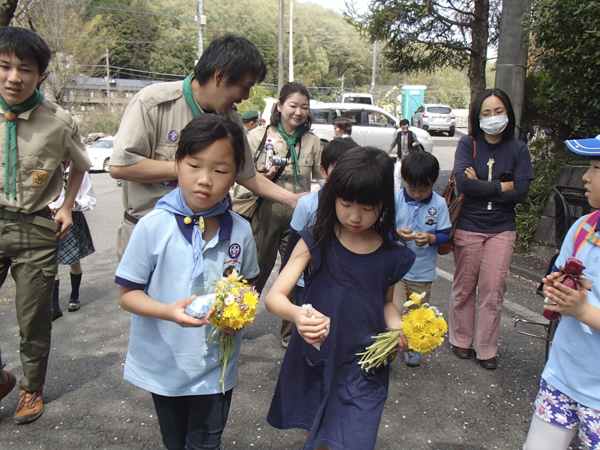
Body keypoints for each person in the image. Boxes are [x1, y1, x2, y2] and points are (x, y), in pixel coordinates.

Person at [115, 114, 259, 450]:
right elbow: (127, 295)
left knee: (205, 444)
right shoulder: (152, 227)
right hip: (165, 363)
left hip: (215, 367)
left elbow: (247, 286)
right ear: (177, 163)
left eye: (220, 170)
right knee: (175, 442)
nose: (205, 180)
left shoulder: (240, 229)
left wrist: (238, 315)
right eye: (194, 165)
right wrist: (167, 311)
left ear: (236, 174)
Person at [265, 147, 416, 450]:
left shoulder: (391, 255)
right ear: (332, 196)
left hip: (365, 364)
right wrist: (297, 315)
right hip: (318, 357)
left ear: (384, 202)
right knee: (319, 435)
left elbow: (386, 302)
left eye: (368, 207)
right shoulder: (315, 240)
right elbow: (275, 296)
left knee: (356, 438)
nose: (355, 216)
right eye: (346, 204)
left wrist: (399, 327)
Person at [109, 35, 302, 260]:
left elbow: (247, 175)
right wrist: (192, 168)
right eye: (245, 87)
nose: (246, 97)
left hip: (209, 238)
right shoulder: (153, 104)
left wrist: (291, 199)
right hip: (151, 238)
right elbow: (121, 166)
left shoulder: (230, 119)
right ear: (220, 76)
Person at [0, 27, 91, 424]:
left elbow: (81, 166)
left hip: (36, 228)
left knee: (33, 317)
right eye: (4, 66)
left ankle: (30, 389)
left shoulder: (58, 121)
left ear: (41, 74)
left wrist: (67, 206)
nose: (13, 77)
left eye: (25, 68)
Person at [523, 134, 600, 450]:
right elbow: (555, 294)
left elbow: (582, 309)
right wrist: (557, 288)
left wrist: (582, 311)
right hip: (561, 378)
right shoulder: (584, 227)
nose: (586, 176)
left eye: (595, 167)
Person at [448, 88, 534, 370]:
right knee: (464, 286)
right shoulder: (467, 143)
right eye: (486, 113)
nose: (493, 117)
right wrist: (501, 186)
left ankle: (486, 348)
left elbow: (520, 192)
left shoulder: (519, 149)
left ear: (508, 113)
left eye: (498, 112)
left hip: (501, 228)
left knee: (492, 289)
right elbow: (464, 184)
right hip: (470, 225)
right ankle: (460, 339)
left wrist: (483, 188)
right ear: (477, 117)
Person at [246, 82, 322, 337]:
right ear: (280, 106)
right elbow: (240, 176)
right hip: (265, 212)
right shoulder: (258, 136)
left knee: (295, 274)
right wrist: (260, 176)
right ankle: (237, 320)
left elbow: (323, 179)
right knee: (255, 270)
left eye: (304, 107)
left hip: (300, 216)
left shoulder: (312, 141)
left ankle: (291, 333)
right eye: (293, 105)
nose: (298, 112)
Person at [279, 137, 358, 345]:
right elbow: (293, 245)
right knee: (312, 335)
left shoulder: (361, 209)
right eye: (339, 169)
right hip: (307, 284)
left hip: (345, 283)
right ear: (323, 170)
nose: (347, 176)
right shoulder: (307, 204)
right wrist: (286, 285)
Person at [393, 151, 452, 367]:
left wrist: (431, 238)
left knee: (417, 314)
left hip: (423, 272)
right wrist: (396, 233)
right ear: (404, 182)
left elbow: (446, 235)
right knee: (396, 310)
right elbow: (382, 229)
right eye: (412, 188)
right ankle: (391, 346)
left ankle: (413, 347)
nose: (417, 194)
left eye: (424, 188)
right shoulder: (395, 199)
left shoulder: (439, 204)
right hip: (397, 271)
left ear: (433, 183)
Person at [48, 165, 96, 320]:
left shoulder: (77, 170)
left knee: (73, 260)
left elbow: (89, 199)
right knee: (50, 260)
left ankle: (74, 296)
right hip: (47, 217)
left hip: (71, 218)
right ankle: (54, 305)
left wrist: (74, 204)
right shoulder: (48, 166)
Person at [387, 118, 421, 191]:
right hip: (400, 158)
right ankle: (397, 191)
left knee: (409, 175)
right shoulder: (398, 134)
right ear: (400, 127)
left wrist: (415, 144)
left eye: (406, 125)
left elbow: (417, 142)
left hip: (409, 158)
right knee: (396, 174)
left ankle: (409, 190)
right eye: (402, 125)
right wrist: (386, 154)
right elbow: (393, 144)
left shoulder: (412, 134)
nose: (404, 127)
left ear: (408, 125)